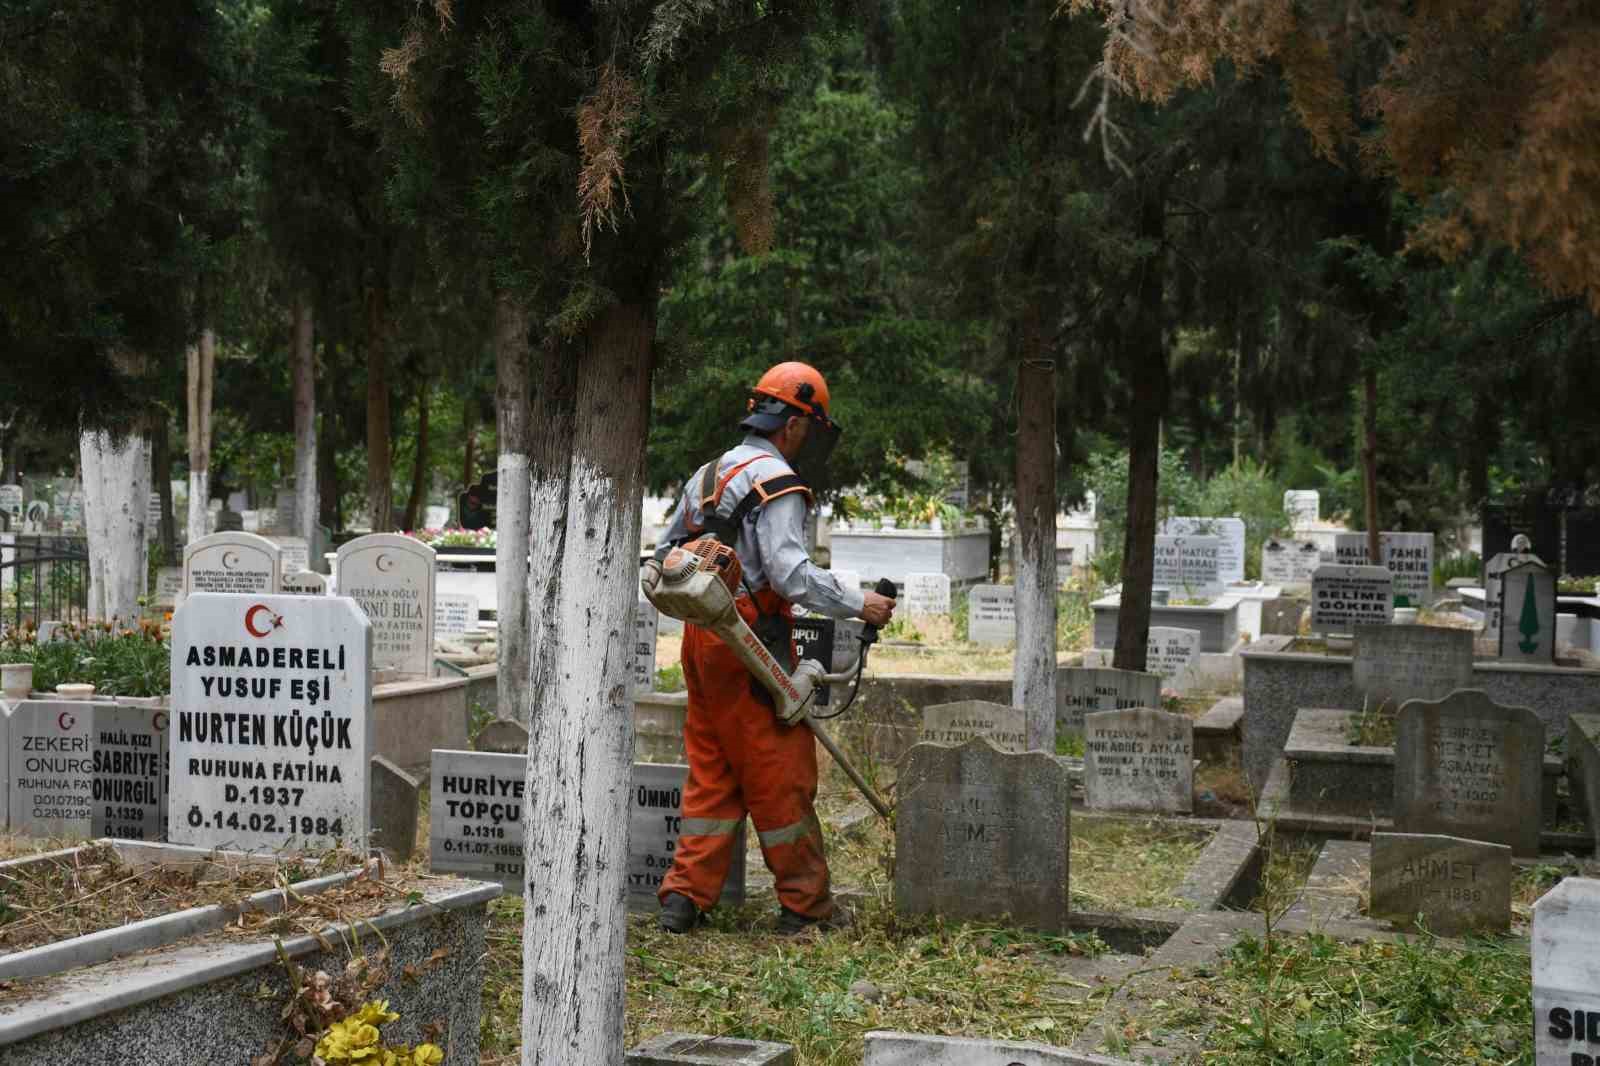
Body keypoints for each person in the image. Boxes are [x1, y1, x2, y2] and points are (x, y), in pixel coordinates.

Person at [654, 361, 896, 935]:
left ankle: (683, 900)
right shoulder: (779, 483)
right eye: (809, 427)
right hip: (749, 644)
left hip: (700, 640)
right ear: (794, 424)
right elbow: (789, 575)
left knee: (712, 771)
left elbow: (666, 552)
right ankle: (804, 907)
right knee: (781, 772)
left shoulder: (709, 474)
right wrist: (858, 602)